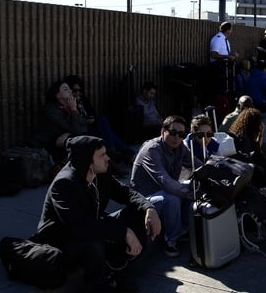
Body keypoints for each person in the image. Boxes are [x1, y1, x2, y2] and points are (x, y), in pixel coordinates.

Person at [32, 136, 161, 292]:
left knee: (138, 214)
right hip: (62, 237)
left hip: (90, 225)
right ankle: (98, 284)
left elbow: (126, 193)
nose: (108, 158)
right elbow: (79, 226)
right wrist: (124, 232)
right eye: (102, 155)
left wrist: (149, 208)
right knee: (93, 245)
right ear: (87, 161)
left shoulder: (100, 173)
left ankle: (117, 268)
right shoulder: (64, 184)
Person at [130, 115, 195, 257]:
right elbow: (165, 182)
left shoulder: (180, 147)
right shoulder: (152, 150)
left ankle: (183, 231)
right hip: (144, 199)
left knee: (193, 187)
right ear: (162, 132)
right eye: (172, 133)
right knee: (172, 197)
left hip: (163, 191)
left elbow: (196, 165)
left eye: (181, 135)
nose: (176, 137)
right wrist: (188, 192)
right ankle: (170, 241)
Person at [227, 108, 266, 197]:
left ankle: (265, 185)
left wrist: (260, 134)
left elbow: (258, 148)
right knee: (258, 164)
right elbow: (246, 157)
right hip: (241, 164)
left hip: (245, 159)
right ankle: (263, 186)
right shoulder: (244, 137)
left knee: (259, 155)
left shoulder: (248, 134)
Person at [29, 80, 88, 162]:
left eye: (69, 89)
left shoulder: (68, 107)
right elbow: (77, 131)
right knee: (74, 140)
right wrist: (74, 110)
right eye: (66, 89)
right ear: (58, 95)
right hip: (44, 148)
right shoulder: (52, 111)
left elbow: (84, 128)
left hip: (58, 145)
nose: (70, 91)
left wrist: (74, 111)